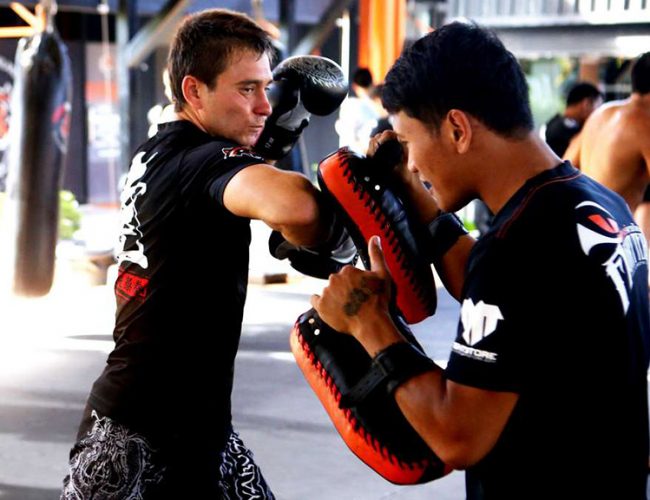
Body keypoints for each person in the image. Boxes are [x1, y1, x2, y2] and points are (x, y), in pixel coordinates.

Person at [311, 22, 650, 499]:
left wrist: (369, 322)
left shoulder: (516, 247)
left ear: (457, 128)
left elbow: (458, 436)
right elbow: (512, 302)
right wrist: (415, 197)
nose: (411, 164)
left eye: (408, 144)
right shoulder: (594, 203)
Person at [61, 9, 352, 499]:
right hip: (135, 439)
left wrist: (269, 144)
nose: (264, 106)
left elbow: (220, 181)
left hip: (201, 432)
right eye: (246, 90)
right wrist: (341, 231)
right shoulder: (198, 163)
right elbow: (297, 207)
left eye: (268, 88)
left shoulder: (161, 150)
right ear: (194, 91)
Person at [565, 52, 650, 248]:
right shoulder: (645, 124)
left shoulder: (600, 114)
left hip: (579, 231)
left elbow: (566, 163)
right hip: (610, 242)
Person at [542, 81, 602, 157]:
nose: (598, 113)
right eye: (598, 107)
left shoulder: (555, 123)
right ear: (586, 104)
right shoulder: (562, 128)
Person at [335, 67, 380, 153]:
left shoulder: (350, 106)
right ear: (372, 82)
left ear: (355, 87)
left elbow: (349, 136)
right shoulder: (380, 105)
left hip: (358, 155)